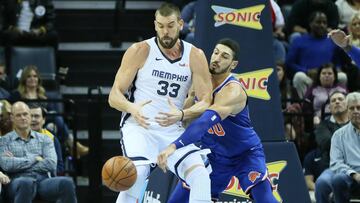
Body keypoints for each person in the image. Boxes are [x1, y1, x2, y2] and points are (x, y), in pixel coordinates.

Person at [108, 2, 212, 203]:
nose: (166, 31)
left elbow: (206, 101)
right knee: (135, 175)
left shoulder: (195, 55)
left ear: (181, 24)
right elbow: (114, 96)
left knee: (200, 176)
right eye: (161, 26)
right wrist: (132, 108)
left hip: (173, 130)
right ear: (155, 25)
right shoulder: (140, 50)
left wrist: (182, 114)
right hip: (140, 127)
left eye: (171, 25)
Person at [157, 38, 278, 203]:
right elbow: (187, 121)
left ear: (233, 65)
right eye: (215, 52)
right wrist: (178, 118)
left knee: (265, 200)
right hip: (213, 154)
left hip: (244, 153)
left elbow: (205, 121)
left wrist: (174, 146)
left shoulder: (232, 91)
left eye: (224, 56)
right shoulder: (199, 82)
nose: (216, 58)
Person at [0, 102, 77, 203]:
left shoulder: (45, 139)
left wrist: (18, 162)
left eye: (25, 114)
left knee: (67, 182)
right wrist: (36, 158)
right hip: (17, 181)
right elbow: (7, 165)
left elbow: (51, 164)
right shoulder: (4, 141)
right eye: (18, 115)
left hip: (43, 181)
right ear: (12, 117)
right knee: (25, 183)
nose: (23, 118)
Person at [29, 104, 64, 175]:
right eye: (30, 116)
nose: (33, 119)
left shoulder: (52, 138)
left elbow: (60, 167)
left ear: (43, 120)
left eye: (36, 116)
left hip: (45, 177)